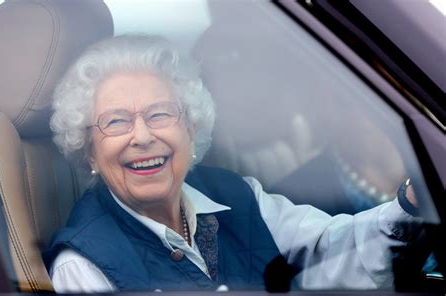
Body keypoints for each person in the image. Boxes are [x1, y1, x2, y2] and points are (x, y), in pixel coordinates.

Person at [43, 35, 422, 293]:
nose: (141, 136)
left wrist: (412, 201)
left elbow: (337, 250)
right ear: (90, 151)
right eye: (116, 121)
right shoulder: (82, 265)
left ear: (191, 128)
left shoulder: (237, 195)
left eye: (160, 114)